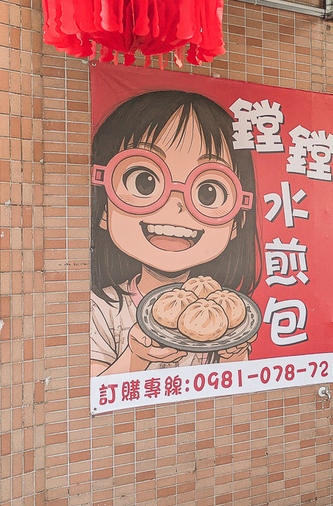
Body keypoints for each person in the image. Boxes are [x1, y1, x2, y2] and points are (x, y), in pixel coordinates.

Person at [90, 91, 261, 376]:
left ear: (237, 222)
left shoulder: (221, 312)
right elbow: (92, 391)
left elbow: (235, 386)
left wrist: (235, 353)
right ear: (104, 208)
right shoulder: (103, 308)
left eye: (209, 192)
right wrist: (136, 357)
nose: (177, 207)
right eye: (144, 181)